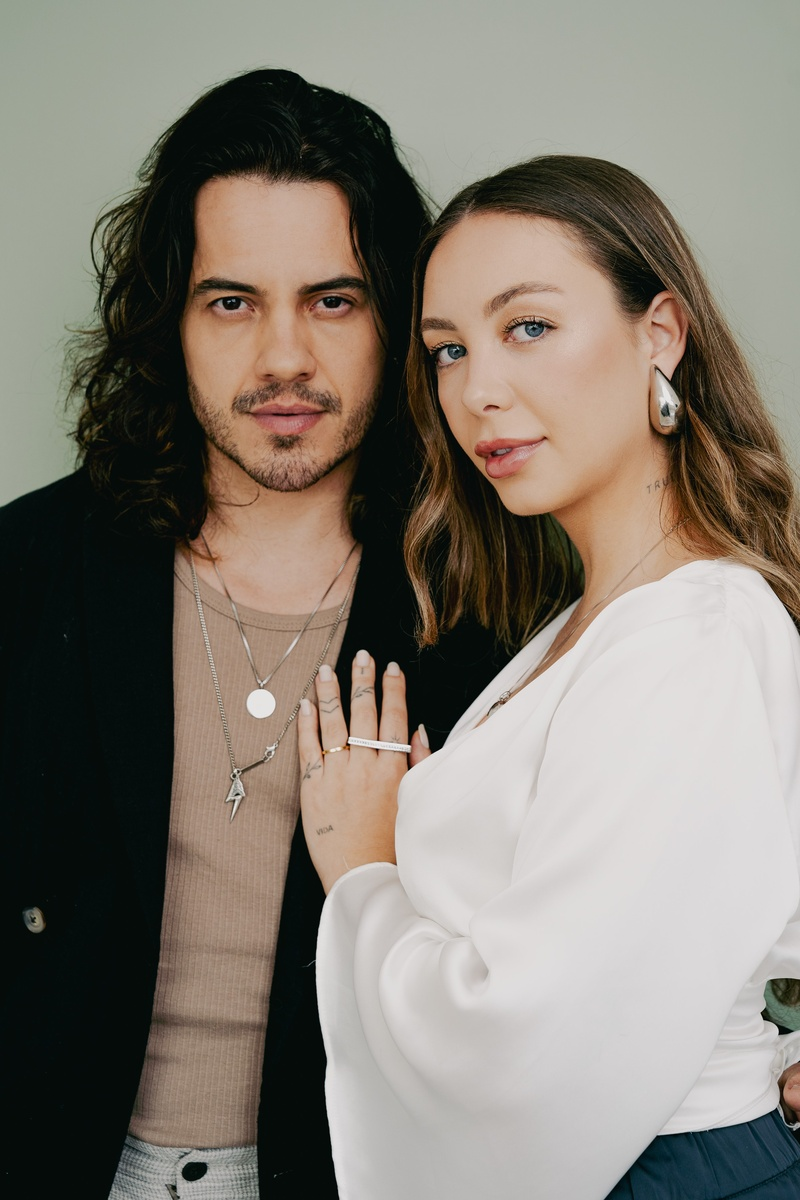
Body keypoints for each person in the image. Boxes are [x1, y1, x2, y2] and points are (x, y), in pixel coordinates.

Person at [0, 69, 502, 1200]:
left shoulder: (487, 609)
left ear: (398, 321)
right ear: (168, 321)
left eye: (334, 301)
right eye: (231, 302)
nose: (284, 358)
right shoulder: (30, 570)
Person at [297, 155, 800, 1198]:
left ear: (659, 334)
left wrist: (363, 872)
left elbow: (519, 1048)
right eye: (447, 350)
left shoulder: (689, 635)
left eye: (527, 326)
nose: (477, 390)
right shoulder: (590, 626)